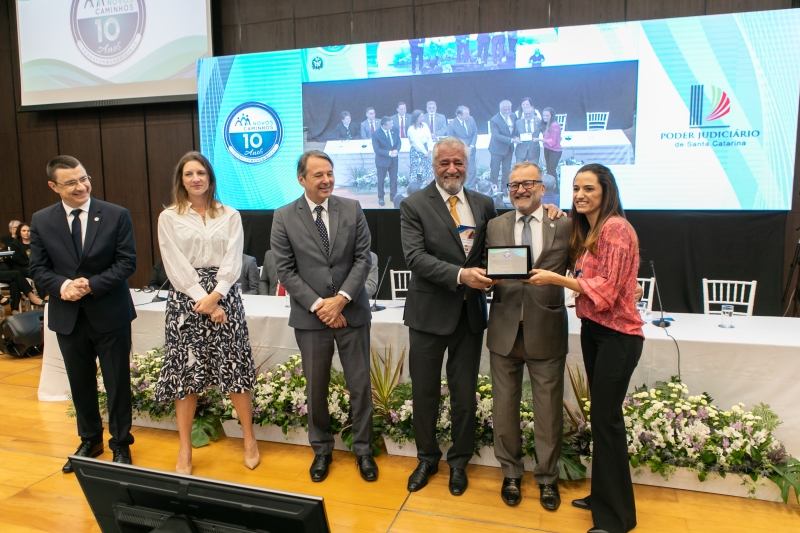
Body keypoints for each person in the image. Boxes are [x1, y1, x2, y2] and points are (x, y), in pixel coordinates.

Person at [527, 163, 644, 533]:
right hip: (596, 332)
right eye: (576, 188)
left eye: (589, 189)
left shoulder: (615, 229)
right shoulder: (593, 228)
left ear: (606, 191)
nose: (580, 195)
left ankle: (616, 520)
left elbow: (606, 293)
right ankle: (604, 498)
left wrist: (555, 278)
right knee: (603, 420)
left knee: (607, 423)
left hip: (617, 337)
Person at [270, 150, 377, 483]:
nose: (327, 180)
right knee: (315, 389)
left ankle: (364, 451)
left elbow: (363, 259)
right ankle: (322, 450)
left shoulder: (352, 208)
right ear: (301, 179)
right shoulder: (284, 215)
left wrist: (341, 300)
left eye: (329, 173)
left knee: (360, 386)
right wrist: (321, 305)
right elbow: (285, 269)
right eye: (318, 175)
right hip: (311, 318)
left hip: (352, 314)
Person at [400, 136, 497, 496]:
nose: (452, 169)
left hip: (470, 315)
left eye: (458, 162)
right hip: (427, 316)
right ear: (434, 165)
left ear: (467, 166)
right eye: (445, 163)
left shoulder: (485, 204)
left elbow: (496, 251)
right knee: (425, 392)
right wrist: (461, 275)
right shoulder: (413, 204)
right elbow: (415, 258)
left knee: (464, 393)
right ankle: (426, 458)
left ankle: (459, 462)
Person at [29, 155, 137, 473]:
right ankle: (90, 439)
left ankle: (120, 443)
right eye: (71, 182)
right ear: (53, 186)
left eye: (84, 178)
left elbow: (127, 262)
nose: (81, 186)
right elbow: (37, 268)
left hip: (110, 313)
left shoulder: (116, 215)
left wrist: (90, 285)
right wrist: (63, 285)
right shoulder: (42, 220)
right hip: (68, 316)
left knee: (117, 382)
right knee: (80, 383)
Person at [155, 151, 259, 475]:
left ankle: (250, 439)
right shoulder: (169, 217)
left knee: (235, 370)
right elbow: (174, 263)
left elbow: (233, 258)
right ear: (181, 180)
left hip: (225, 296)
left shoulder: (230, 214)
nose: (195, 178)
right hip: (185, 299)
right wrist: (203, 298)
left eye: (201, 173)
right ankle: (185, 449)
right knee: (186, 375)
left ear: (210, 178)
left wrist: (216, 296)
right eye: (189, 174)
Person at [485, 162, 570, 510]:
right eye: (514, 185)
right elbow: (483, 267)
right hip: (504, 329)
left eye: (528, 184)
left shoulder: (563, 223)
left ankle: (548, 479)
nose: (520, 190)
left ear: (542, 188)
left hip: (546, 327)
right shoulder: (494, 226)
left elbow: (581, 265)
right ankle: (511, 473)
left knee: (548, 409)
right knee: (504, 408)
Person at [0, 226, 44, 312]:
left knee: (14, 282)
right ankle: (31, 296)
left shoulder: (2, 247)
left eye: (28, 231)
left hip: (5, 271)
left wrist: (5, 256)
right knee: (17, 273)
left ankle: (14, 309)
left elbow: (10, 262)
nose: (27, 233)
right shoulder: (16, 244)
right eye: (24, 231)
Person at [446, 106, 478, 188]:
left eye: (468, 113)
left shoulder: (471, 119)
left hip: (471, 150)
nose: (468, 115)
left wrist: (471, 146)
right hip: (459, 152)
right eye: (466, 114)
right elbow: (452, 140)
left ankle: (472, 189)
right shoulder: (452, 125)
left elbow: (475, 133)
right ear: (459, 115)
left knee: (472, 170)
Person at [489, 100, 518, 188]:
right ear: (500, 109)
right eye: (505, 110)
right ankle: (493, 188)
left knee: (507, 170)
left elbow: (515, 130)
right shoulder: (494, 120)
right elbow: (496, 135)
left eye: (509, 109)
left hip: (509, 149)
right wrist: (511, 140)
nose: (507, 111)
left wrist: (516, 137)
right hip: (497, 150)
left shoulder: (513, 116)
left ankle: (504, 188)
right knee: (495, 170)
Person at [372, 116, 400, 206]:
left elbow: (399, 142)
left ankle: (393, 196)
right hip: (382, 161)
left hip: (394, 160)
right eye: (390, 124)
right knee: (381, 180)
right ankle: (381, 197)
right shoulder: (376, 134)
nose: (392, 125)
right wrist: (389, 153)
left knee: (394, 179)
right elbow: (377, 149)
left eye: (392, 123)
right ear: (383, 125)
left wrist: (397, 150)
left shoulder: (394, 130)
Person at [407, 110, 434, 187]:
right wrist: (424, 152)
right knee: (417, 172)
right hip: (417, 152)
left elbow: (429, 138)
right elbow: (417, 143)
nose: (423, 118)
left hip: (427, 150)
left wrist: (429, 149)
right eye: (421, 117)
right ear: (416, 118)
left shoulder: (425, 125)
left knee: (428, 171)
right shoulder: (411, 129)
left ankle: (431, 190)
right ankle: (416, 191)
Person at [539, 107, 563, 178]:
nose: (545, 117)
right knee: (549, 170)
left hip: (555, 151)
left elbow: (553, 141)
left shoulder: (554, 125)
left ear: (551, 116)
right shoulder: (546, 124)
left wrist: (540, 139)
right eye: (543, 115)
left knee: (551, 171)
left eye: (547, 115)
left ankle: (554, 188)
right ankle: (551, 187)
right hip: (547, 149)